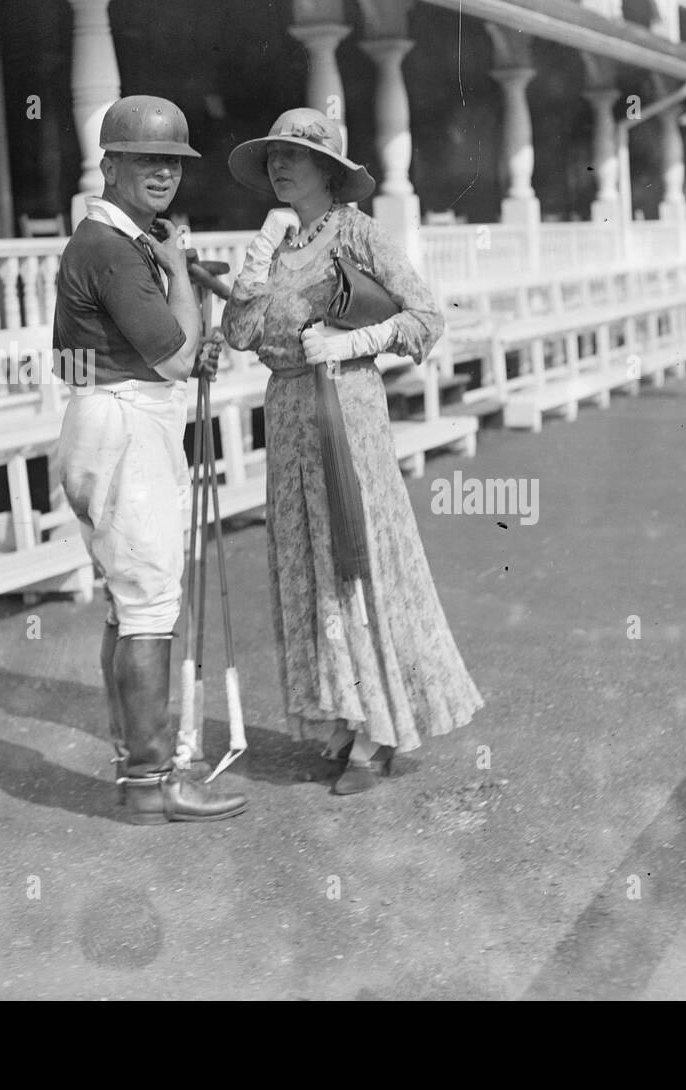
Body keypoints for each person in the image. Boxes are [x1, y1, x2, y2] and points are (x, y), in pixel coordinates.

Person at [222, 108, 483, 796]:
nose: (281, 167)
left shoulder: (358, 233)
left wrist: (350, 342)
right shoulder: (277, 243)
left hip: (346, 408)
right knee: (305, 558)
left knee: (352, 556)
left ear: (329, 171)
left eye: (296, 157)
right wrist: (252, 271)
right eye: (274, 156)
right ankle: (338, 711)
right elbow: (243, 333)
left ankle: (379, 726)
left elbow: (426, 316)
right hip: (287, 415)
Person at [54, 95, 248, 825]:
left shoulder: (111, 242)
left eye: (173, 160)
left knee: (129, 605)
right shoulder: (110, 247)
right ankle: (152, 782)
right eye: (145, 159)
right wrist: (176, 276)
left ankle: (138, 773)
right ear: (110, 165)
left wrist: (166, 271)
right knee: (149, 608)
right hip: (125, 424)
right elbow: (177, 358)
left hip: (107, 417)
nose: (164, 172)